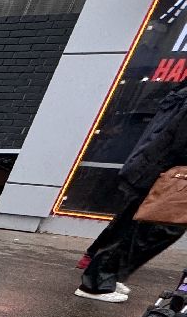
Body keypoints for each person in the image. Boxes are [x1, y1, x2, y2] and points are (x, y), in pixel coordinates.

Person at [77, 85, 187, 302]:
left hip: (153, 168)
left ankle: (106, 276)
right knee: (153, 229)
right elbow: (180, 142)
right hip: (165, 173)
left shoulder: (181, 92)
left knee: (137, 226)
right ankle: (97, 283)